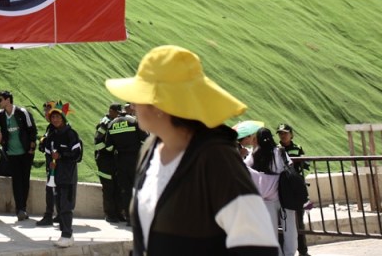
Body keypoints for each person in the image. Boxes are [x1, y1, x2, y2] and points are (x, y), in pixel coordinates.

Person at [105, 45, 279, 255]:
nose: (132, 105)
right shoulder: (151, 148)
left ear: (161, 106)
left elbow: (258, 246)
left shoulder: (216, 158)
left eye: (139, 97)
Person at [247, 127, 298, 256]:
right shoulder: (280, 151)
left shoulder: (255, 154)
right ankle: (290, 253)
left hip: (266, 198)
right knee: (290, 228)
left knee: (271, 230)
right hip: (285, 195)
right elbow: (290, 166)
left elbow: (244, 167)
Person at [0, 89, 37, 221]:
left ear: (8, 100)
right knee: (16, 180)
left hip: (26, 153)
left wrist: (31, 148)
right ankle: (19, 209)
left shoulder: (22, 112)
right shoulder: (1, 115)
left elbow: (32, 130)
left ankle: (23, 208)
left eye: (0, 100)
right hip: (12, 153)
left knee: (24, 180)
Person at [38, 104, 82, 248]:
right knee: (59, 206)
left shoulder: (71, 134)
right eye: (53, 117)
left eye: (57, 117)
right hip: (55, 177)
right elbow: (47, 151)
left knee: (66, 206)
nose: (55, 119)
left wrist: (62, 155)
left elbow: (77, 155)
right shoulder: (52, 135)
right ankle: (65, 234)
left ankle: (67, 235)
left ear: (63, 118)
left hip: (68, 177)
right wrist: (51, 162)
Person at [106, 100, 145, 225]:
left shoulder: (111, 124)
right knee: (138, 188)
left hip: (121, 161)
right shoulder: (134, 122)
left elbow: (109, 147)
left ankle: (129, 218)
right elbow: (145, 141)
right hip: (136, 160)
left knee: (126, 190)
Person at [278, 123, 310, 256]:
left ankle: (302, 250)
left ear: (291, 134)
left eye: (285, 133)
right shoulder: (276, 149)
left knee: (299, 220)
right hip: (283, 188)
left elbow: (305, 164)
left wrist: (300, 162)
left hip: (296, 188)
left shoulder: (298, 148)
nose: (283, 135)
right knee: (281, 221)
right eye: (280, 133)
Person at [94, 103, 123, 222]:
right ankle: (110, 214)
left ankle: (118, 213)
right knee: (109, 188)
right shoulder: (105, 123)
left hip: (114, 160)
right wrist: (108, 150)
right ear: (111, 111)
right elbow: (98, 141)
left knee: (118, 187)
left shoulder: (117, 122)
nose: (119, 115)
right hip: (105, 160)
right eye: (117, 112)